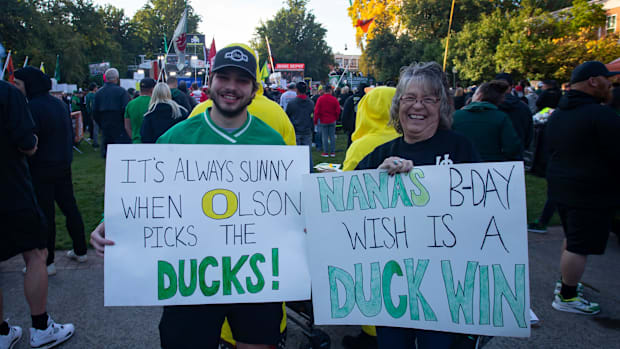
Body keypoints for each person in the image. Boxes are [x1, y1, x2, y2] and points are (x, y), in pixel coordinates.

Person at [91, 43, 288, 349]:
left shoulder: (272, 142)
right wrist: (109, 222)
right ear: (210, 82)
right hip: (191, 275)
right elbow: (143, 191)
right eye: (224, 77)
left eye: (242, 80)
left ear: (254, 90)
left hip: (253, 274)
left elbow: (291, 202)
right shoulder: (177, 137)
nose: (231, 87)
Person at [356, 62, 480, 349]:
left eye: (428, 99)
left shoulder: (461, 149)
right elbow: (343, 206)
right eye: (409, 98)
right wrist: (378, 179)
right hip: (394, 289)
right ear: (398, 105)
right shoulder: (382, 155)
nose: (418, 106)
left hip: (445, 288)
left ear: (442, 106)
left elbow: (485, 210)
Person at [0, 79, 75, 349]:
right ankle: (42, 327)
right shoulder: (8, 95)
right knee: (36, 254)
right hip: (10, 188)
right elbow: (27, 144)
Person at [546, 61, 620, 315]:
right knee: (578, 244)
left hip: (563, 187)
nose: (611, 82)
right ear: (592, 81)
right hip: (588, 191)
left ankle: (567, 283)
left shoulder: (559, 113)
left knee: (573, 238)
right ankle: (567, 295)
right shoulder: (601, 116)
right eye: (606, 78)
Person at [14, 66, 88, 274]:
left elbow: (28, 140)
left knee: (45, 213)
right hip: (62, 164)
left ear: (29, 84)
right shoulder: (58, 105)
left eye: (18, 84)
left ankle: (48, 261)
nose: (16, 88)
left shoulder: (31, 107)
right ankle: (80, 250)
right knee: (69, 207)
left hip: (40, 167)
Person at [452, 79, 523, 162]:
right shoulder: (502, 118)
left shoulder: (456, 116)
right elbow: (512, 148)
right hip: (493, 168)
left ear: (479, 95)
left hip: (461, 167)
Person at [93, 68, 131, 157]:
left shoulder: (98, 93)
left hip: (105, 127)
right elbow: (126, 110)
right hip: (120, 127)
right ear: (117, 78)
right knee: (122, 155)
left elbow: (94, 112)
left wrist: (101, 124)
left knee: (108, 153)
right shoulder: (122, 92)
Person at [495, 72, 533, 152]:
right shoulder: (523, 107)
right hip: (517, 152)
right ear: (512, 86)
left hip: (494, 154)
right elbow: (529, 134)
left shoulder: (489, 106)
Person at [285, 81, 314, 169]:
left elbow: (287, 116)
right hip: (306, 131)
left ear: (296, 90)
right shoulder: (311, 103)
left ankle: (296, 170)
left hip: (296, 131)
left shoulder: (292, 103)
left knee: (295, 155)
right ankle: (310, 171)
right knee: (308, 155)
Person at [124, 78, 155, 143]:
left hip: (136, 141)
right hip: (152, 143)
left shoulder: (130, 104)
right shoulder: (155, 103)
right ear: (153, 89)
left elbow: (127, 126)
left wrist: (133, 138)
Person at [314, 85, 341, 157]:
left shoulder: (320, 99)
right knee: (332, 136)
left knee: (324, 137)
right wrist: (336, 118)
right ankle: (332, 152)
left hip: (323, 120)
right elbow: (338, 110)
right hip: (332, 120)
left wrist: (315, 121)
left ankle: (325, 152)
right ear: (330, 91)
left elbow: (316, 111)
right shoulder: (334, 99)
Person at [341, 83, 367, 148]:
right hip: (365, 125)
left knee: (351, 144)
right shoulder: (369, 99)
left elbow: (345, 114)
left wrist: (345, 127)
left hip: (352, 125)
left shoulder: (350, 99)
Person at [84, 83, 99, 148]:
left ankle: (94, 141)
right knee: (96, 128)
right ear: (94, 88)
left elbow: (87, 105)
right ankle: (95, 143)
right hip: (95, 113)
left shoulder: (87, 95)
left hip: (91, 113)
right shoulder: (94, 95)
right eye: (96, 87)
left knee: (94, 127)